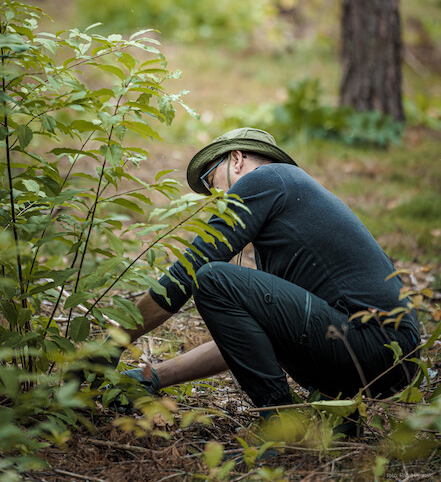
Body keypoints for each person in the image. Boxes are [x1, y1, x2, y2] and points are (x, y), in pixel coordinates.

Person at [105, 127, 420, 417]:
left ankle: (279, 425)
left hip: (373, 342)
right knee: (219, 281)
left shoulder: (268, 178)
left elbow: (187, 272)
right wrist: (152, 377)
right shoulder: (291, 219)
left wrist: (111, 343)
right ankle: (331, 423)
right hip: (392, 360)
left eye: (210, 183)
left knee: (213, 278)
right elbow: (251, 338)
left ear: (237, 159)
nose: (215, 198)